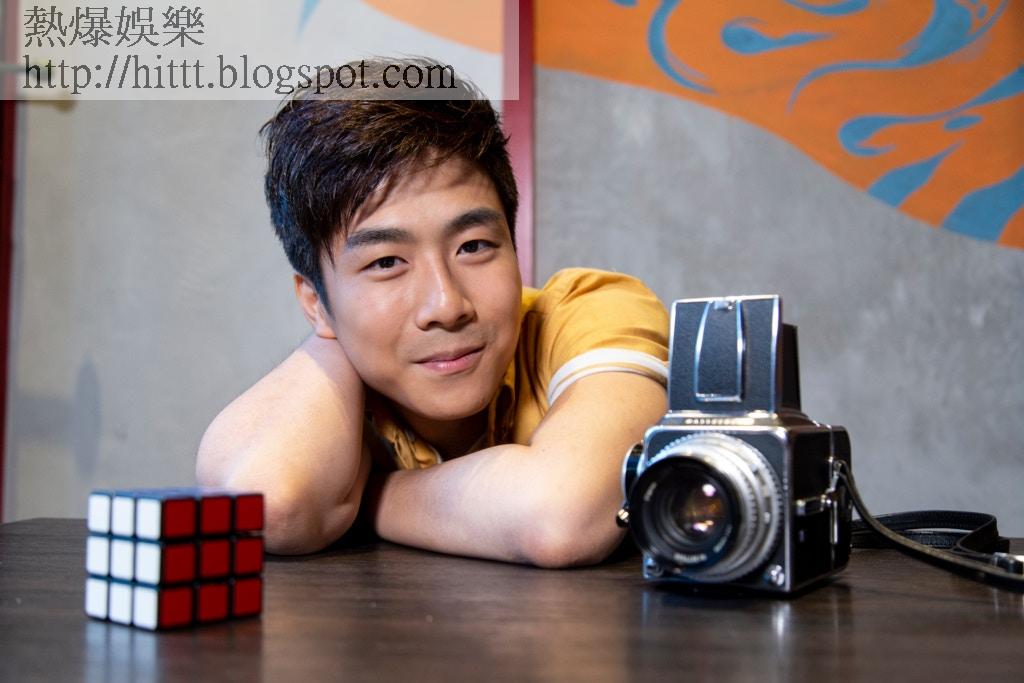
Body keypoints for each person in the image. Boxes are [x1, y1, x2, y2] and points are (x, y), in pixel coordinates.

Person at [196, 58, 669, 567]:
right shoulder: (338, 351)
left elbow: (561, 516)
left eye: (474, 246)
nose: (446, 306)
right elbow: (274, 507)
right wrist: (333, 327)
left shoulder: (591, 309)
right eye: (385, 263)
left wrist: (371, 497)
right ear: (314, 301)